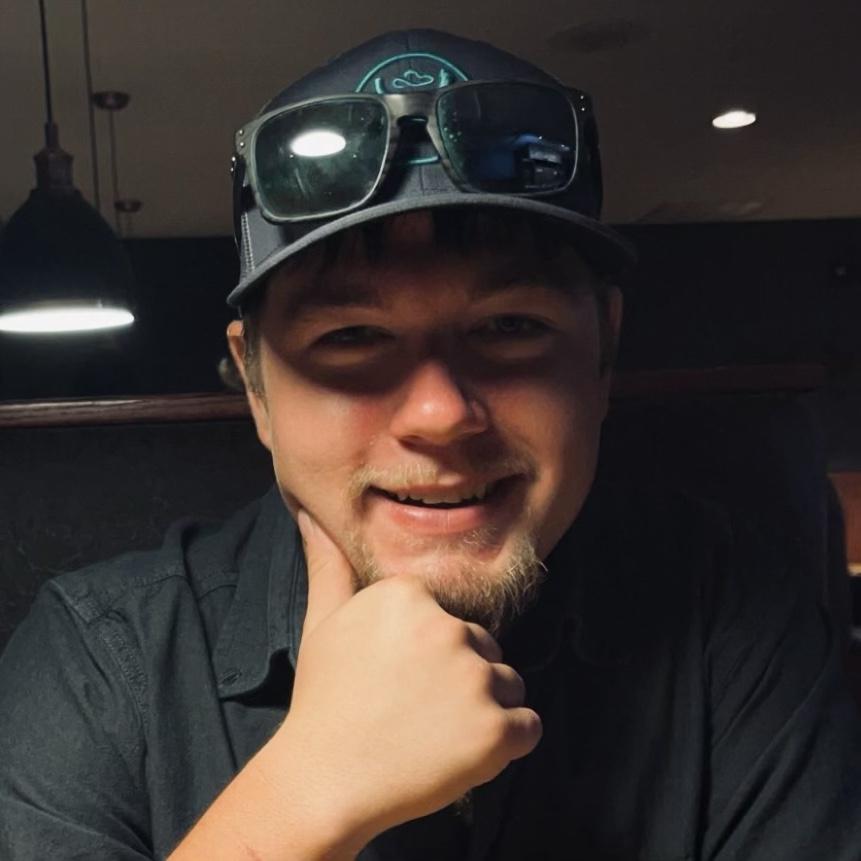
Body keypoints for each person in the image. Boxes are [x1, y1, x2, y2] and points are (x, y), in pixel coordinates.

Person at [1, 28, 859, 860]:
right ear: (256, 387)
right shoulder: (100, 661)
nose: (441, 414)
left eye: (511, 326)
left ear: (602, 355)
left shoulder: (739, 626)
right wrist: (308, 794)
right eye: (351, 337)